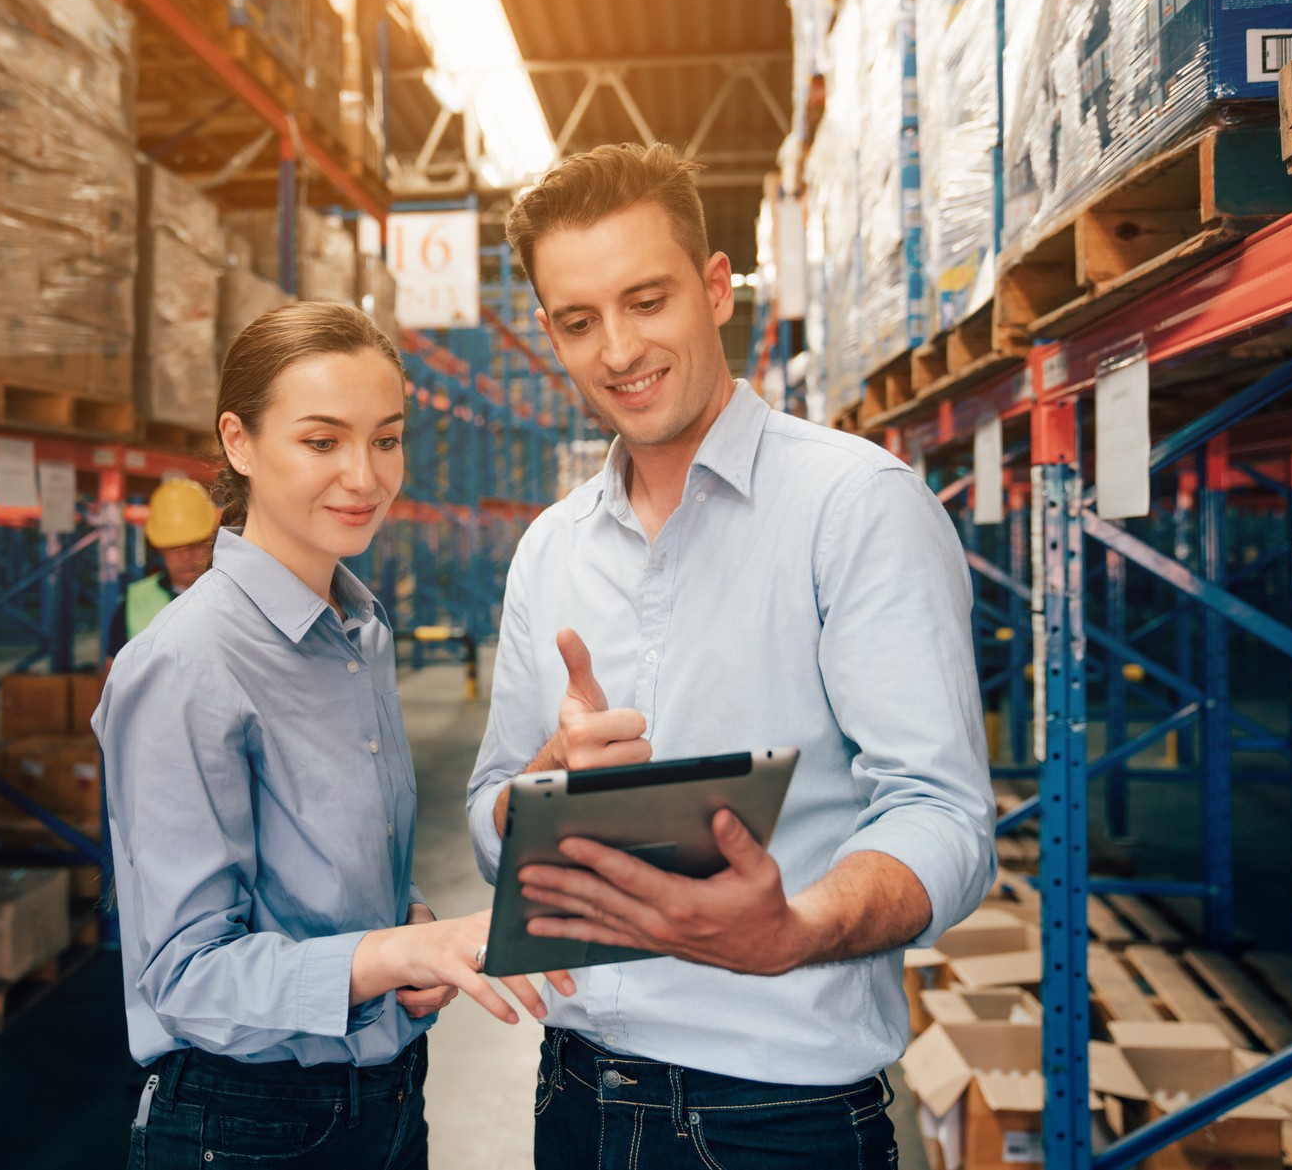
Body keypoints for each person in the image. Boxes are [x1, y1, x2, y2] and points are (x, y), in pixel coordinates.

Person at [465, 143, 995, 1169]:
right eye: (580, 322)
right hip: (576, 1098)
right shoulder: (551, 550)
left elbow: (942, 814)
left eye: (647, 300)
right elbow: (492, 819)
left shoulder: (854, 507)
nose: (619, 349)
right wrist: (538, 787)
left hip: (779, 1122)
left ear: (716, 290)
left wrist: (797, 927)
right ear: (552, 336)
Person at [98, 301, 573, 1170]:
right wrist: (389, 950)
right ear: (238, 443)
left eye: (385, 439)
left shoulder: (358, 630)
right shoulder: (185, 663)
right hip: (248, 1127)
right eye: (323, 441)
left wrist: (408, 927)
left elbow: (330, 882)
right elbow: (185, 977)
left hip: (387, 1099)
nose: (365, 475)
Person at [104, 477, 218, 658]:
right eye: (175, 548)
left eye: (196, 544)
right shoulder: (134, 603)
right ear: (159, 548)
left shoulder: (236, 596)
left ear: (212, 541)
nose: (186, 556)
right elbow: (112, 680)